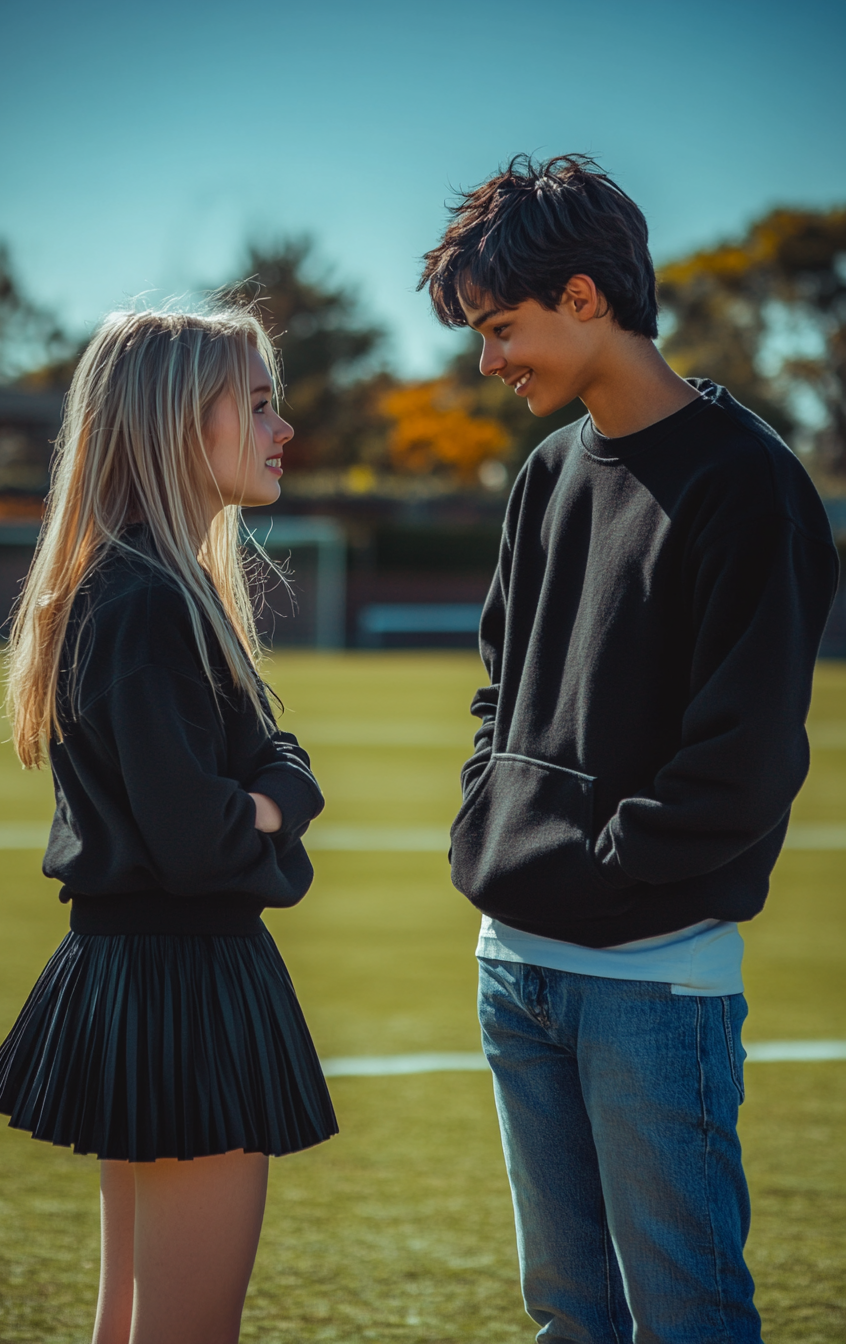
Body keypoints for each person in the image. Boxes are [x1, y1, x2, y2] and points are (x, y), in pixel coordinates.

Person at [419, 155, 839, 1343]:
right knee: (567, 1315)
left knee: (685, 1316)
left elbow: (746, 758)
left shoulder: (749, 487)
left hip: (652, 983)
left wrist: (604, 870)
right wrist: (488, 826)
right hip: (514, 966)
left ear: (587, 297)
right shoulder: (547, 476)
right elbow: (497, 693)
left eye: (501, 327)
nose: (487, 361)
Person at [0, 306, 337, 1344]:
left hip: (142, 978)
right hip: (184, 994)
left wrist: (273, 787)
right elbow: (211, 839)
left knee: (130, 1324)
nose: (283, 432)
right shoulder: (146, 603)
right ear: (184, 422)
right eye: (260, 405)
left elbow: (268, 770)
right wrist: (276, 802)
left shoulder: (138, 589)